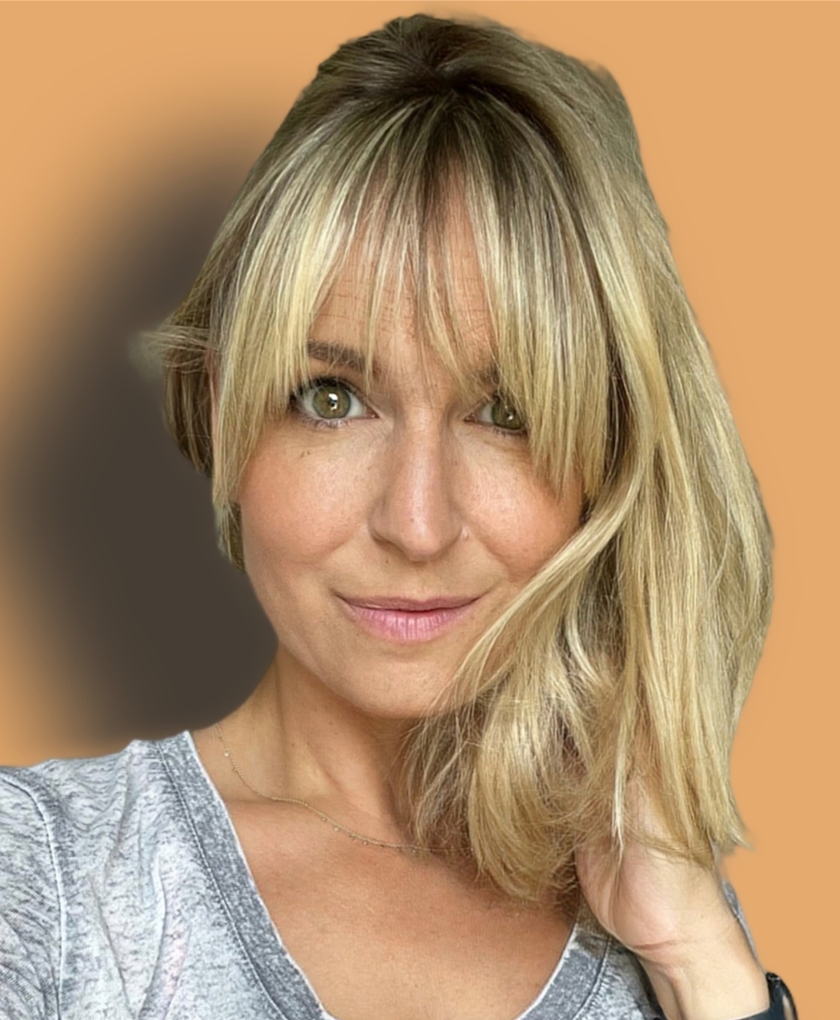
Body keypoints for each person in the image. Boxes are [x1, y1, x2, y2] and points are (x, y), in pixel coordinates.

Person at [0, 13, 796, 1020]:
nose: (416, 525)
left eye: (506, 413)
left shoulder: (661, 925)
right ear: (223, 410)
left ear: (608, 459)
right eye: (332, 399)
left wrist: (698, 958)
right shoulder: (47, 880)